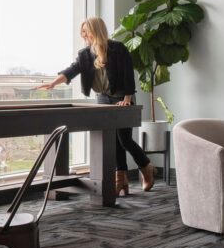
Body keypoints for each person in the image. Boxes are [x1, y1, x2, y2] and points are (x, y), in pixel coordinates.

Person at [35, 17, 156, 196]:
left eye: (86, 31)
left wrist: (127, 98)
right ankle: (120, 181)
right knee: (112, 141)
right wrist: (54, 83)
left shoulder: (118, 49)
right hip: (103, 99)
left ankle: (146, 167)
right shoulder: (85, 54)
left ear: (96, 30)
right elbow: (72, 70)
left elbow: (128, 74)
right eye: (82, 32)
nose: (84, 35)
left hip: (122, 98)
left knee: (124, 139)